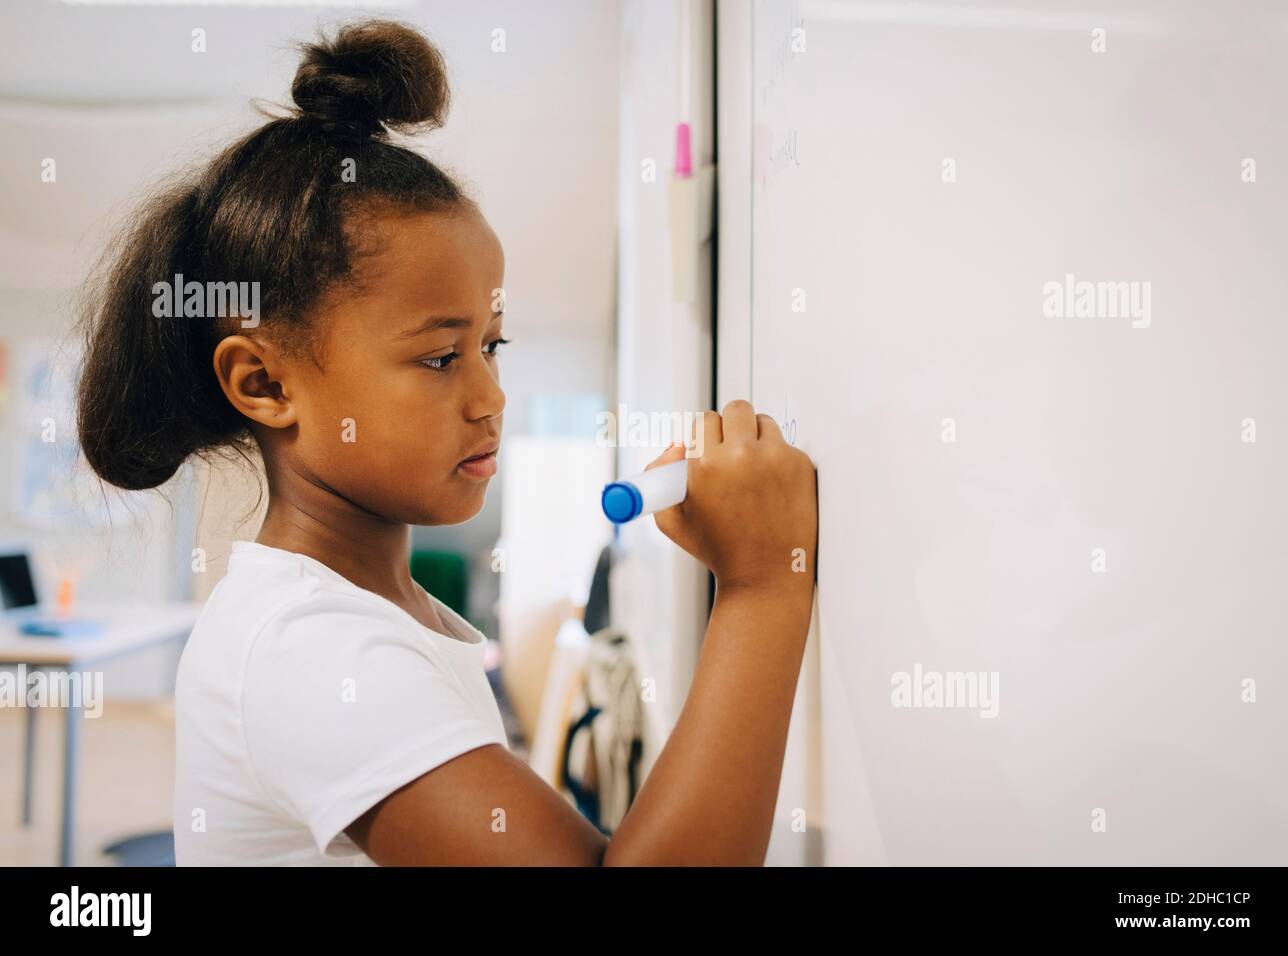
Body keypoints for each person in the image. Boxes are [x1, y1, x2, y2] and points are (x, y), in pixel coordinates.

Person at [74, 17, 817, 866]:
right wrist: (762, 589)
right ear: (267, 383)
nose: (491, 395)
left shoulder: (378, 616)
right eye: (438, 357)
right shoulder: (307, 647)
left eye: (491, 346)